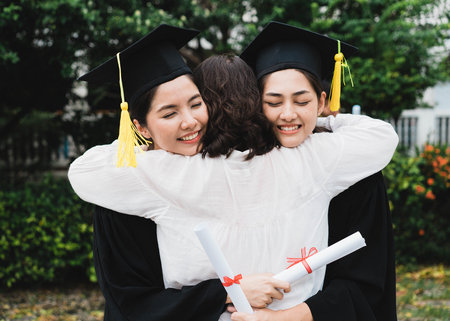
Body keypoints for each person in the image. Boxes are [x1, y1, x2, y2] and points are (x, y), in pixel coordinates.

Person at [69, 24, 398, 321]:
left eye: (196, 104)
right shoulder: (316, 158)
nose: (189, 121)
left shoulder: (156, 172)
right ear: (255, 103)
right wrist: (323, 122)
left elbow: (85, 171)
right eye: (169, 113)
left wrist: (140, 147)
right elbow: (381, 137)